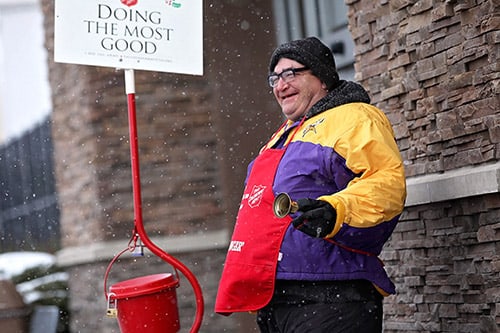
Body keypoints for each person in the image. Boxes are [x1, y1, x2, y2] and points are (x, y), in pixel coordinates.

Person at [215, 36, 406, 333]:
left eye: (292, 73)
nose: (281, 84)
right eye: (275, 77)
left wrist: (335, 210)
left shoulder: (354, 117)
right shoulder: (285, 133)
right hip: (277, 296)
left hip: (331, 293)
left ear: (322, 78)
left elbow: (385, 183)